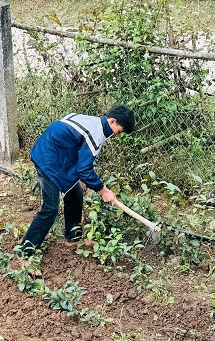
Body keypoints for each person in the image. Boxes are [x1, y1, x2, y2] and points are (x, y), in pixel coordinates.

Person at [19, 105, 135, 257]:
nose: (117, 136)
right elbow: (84, 170)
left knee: (75, 195)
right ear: (112, 121)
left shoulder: (93, 121)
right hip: (48, 160)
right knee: (50, 208)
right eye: (119, 131)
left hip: (57, 155)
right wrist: (103, 190)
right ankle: (24, 253)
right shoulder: (96, 132)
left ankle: (73, 238)